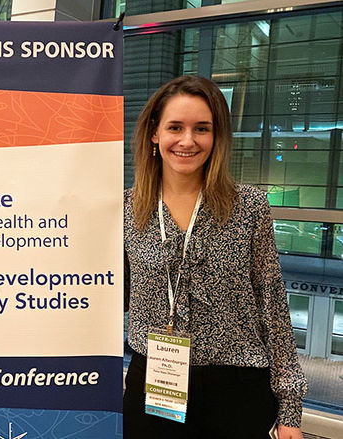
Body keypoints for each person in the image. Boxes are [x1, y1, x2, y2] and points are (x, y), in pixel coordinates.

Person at [123, 75, 307, 439]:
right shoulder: (128, 209)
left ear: (217, 136)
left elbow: (272, 305)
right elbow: (107, 293)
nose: (187, 141)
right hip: (154, 381)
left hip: (236, 389)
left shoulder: (249, 207)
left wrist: (290, 410)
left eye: (202, 129)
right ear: (154, 134)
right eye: (175, 127)